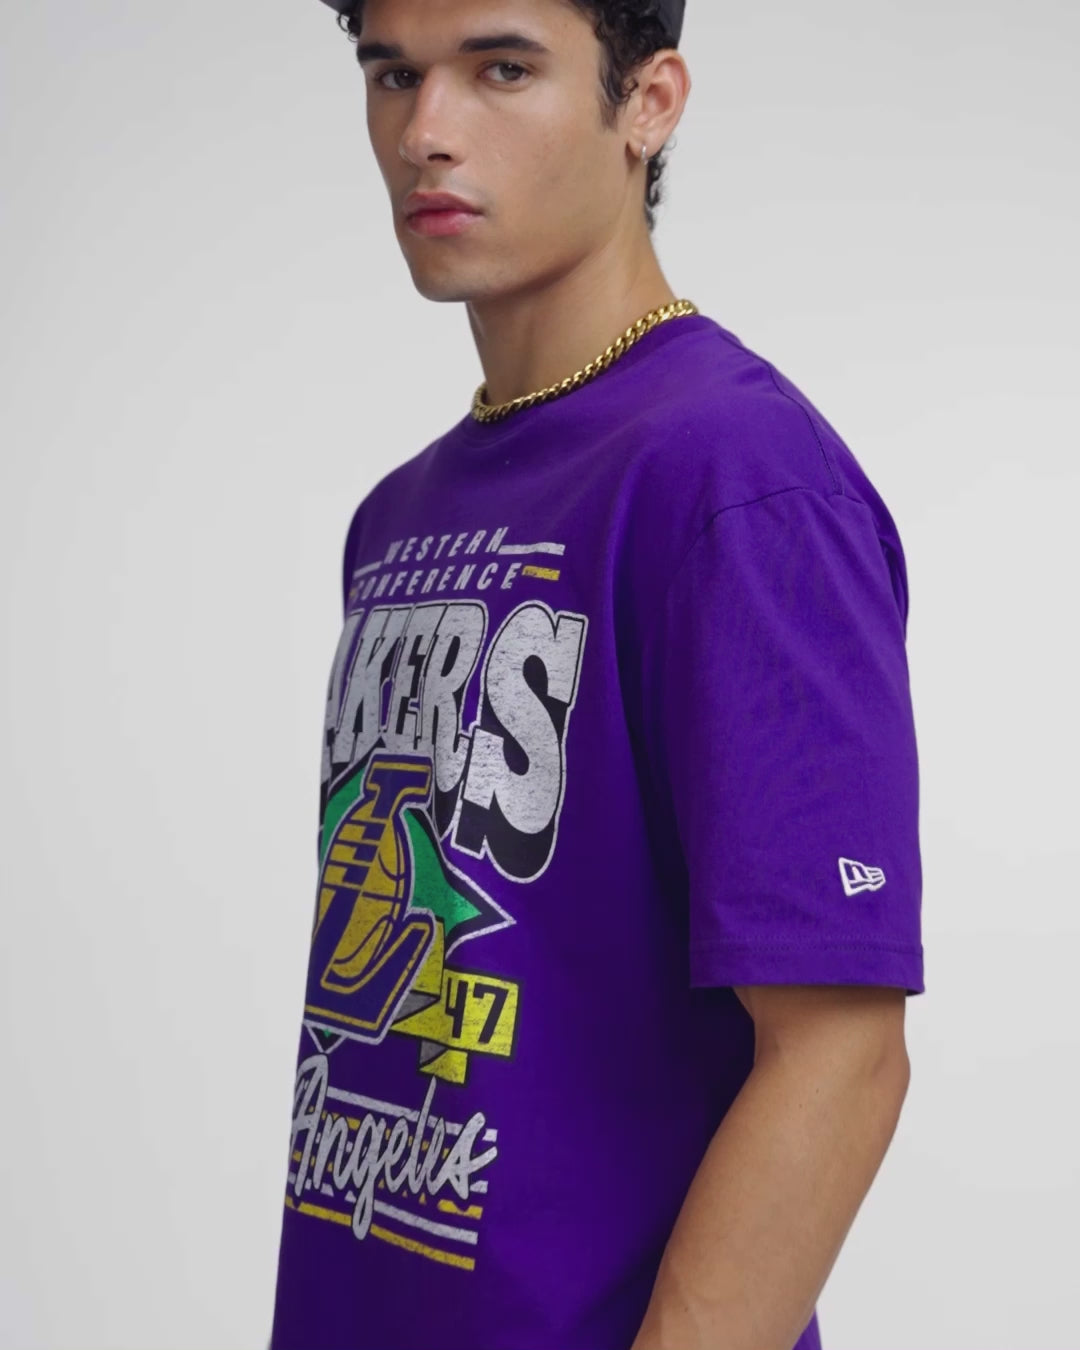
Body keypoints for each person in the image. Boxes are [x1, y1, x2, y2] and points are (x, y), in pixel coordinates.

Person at [268, 1, 925, 1347]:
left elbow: (841, 1053)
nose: (425, 131)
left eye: (502, 69)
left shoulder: (738, 479)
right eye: (393, 74)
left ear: (650, 102)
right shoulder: (398, 517)